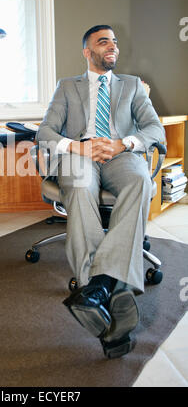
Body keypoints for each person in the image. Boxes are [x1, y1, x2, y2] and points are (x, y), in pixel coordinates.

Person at [37, 24, 166, 359]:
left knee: (140, 181)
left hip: (121, 155)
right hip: (80, 155)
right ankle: (115, 287)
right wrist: (79, 149)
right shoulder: (67, 87)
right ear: (87, 51)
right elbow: (45, 132)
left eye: (115, 41)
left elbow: (154, 127)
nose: (112, 46)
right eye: (103, 41)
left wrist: (124, 142)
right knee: (79, 186)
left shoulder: (133, 86)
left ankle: (96, 290)